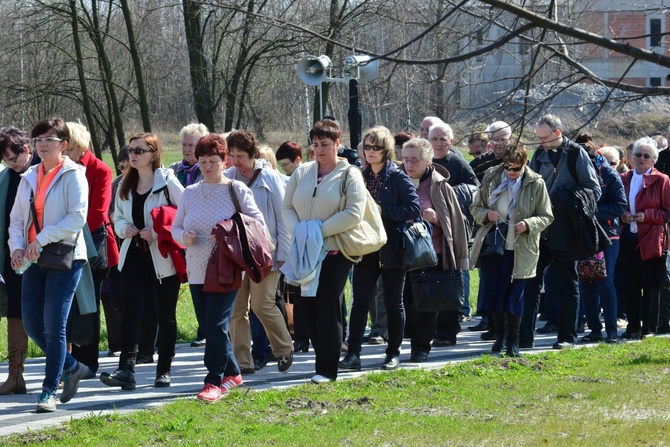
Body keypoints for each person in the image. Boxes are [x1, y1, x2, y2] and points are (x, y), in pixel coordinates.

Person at [172, 134, 263, 402]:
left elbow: (256, 225)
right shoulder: (189, 192)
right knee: (210, 325)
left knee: (215, 323)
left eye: (213, 160)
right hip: (197, 267)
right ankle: (233, 373)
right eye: (202, 161)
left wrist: (227, 233)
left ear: (225, 161)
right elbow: (175, 228)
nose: (208, 166)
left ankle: (213, 381)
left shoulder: (237, 190)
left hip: (226, 267)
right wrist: (183, 236)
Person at [8, 117, 90, 412]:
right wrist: (16, 247)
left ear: (63, 145)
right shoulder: (29, 176)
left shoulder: (73, 174)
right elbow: (17, 219)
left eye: (49, 140)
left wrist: (40, 239)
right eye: (38, 140)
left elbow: (76, 218)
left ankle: (48, 391)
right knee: (32, 324)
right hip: (33, 259)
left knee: (54, 325)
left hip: (65, 257)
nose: (42, 145)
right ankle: (72, 367)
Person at [282, 119, 366, 384]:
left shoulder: (349, 173)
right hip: (303, 251)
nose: (319, 149)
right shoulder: (302, 172)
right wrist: (303, 233)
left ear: (337, 145)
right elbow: (287, 207)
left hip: (334, 252)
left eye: (325, 144)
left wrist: (318, 232)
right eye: (316, 144)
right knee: (306, 310)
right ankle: (322, 360)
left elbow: (353, 213)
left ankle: (327, 370)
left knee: (328, 305)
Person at [101, 133, 184, 390]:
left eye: (139, 150)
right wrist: (125, 227)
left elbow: (184, 215)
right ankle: (126, 370)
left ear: (153, 153)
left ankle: (164, 370)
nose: (133, 155)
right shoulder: (125, 183)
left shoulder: (167, 182)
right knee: (130, 313)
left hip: (161, 257)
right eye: (131, 150)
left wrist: (157, 232)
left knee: (165, 315)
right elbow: (117, 216)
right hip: (133, 254)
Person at [338, 126, 420, 371]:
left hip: (393, 249)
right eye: (367, 147)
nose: (370, 151)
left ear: (387, 151)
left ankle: (393, 353)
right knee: (360, 301)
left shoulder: (397, 177)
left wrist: (383, 210)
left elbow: (413, 210)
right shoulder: (360, 176)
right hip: (366, 247)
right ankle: (353, 354)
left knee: (394, 303)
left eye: (376, 147)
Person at [523, 114, 601, 350]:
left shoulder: (577, 153)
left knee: (568, 281)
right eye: (537, 138)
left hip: (567, 228)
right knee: (531, 281)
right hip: (541, 226)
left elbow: (593, 189)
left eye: (544, 138)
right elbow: (530, 185)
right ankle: (524, 337)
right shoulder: (539, 154)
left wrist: (563, 199)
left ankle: (567, 336)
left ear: (557, 133)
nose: (541, 143)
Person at [470, 145, 553, 356]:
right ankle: (499, 337)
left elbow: (546, 216)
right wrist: (486, 214)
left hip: (522, 248)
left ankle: (514, 341)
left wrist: (528, 224)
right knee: (495, 295)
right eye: (507, 167)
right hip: (495, 246)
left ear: (524, 164)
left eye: (515, 169)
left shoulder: (536, 183)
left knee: (515, 296)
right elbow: (475, 207)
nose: (510, 172)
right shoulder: (491, 177)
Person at [226, 131, 293, 374]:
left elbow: (284, 219)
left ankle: (284, 349)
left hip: (266, 254)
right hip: (236, 255)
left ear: (253, 154)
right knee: (237, 309)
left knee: (262, 305)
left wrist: (283, 254)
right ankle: (242, 362)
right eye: (232, 155)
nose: (236, 161)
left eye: (240, 156)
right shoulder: (228, 178)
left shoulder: (271, 178)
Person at [398, 138, 469, 362]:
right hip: (401, 254)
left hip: (432, 255)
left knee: (427, 305)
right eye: (405, 160)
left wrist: (436, 219)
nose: (409, 165)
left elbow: (456, 222)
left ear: (428, 161)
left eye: (414, 160)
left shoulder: (440, 186)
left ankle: (421, 348)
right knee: (405, 302)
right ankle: (402, 344)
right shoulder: (396, 181)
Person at [65, 122, 120, 378]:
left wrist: (68, 231)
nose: (66, 153)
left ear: (81, 147)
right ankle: (70, 358)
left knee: (89, 303)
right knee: (68, 303)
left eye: (71, 148)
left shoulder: (100, 169)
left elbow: (98, 212)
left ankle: (88, 359)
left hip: (92, 244)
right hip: (64, 243)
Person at [0, 126, 41, 395]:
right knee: (15, 312)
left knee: (51, 313)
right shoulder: (6, 177)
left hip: (45, 255)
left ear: (26, 149)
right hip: (14, 257)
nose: (10, 166)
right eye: (4, 161)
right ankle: (16, 375)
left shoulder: (44, 170)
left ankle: (60, 372)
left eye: (13, 160)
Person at [618, 137, 670, 339]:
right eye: (638, 154)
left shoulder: (662, 180)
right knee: (630, 284)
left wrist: (646, 216)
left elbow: (667, 212)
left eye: (646, 156)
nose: (641, 159)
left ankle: (649, 328)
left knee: (651, 286)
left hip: (651, 240)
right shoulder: (624, 178)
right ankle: (633, 327)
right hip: (628, 238)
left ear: (653, 160)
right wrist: (622, 214)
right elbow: (617, 204)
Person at [579, 147, 627, 344]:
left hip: (607, 236)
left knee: (605, 282)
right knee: (586, 282)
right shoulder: (578, 174)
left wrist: (592, 212)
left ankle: (612, 331)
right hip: (585, 237)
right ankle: (594, 330)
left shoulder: (609, 174)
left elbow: (620, 204)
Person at [170, 123, 208, 348]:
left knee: (203, 283)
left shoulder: (207, 170)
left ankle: (205, 329)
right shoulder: (175, 170)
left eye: (191, 145)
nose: (186, 149)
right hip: (177, 234)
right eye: (184, 144)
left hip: (201, 236)